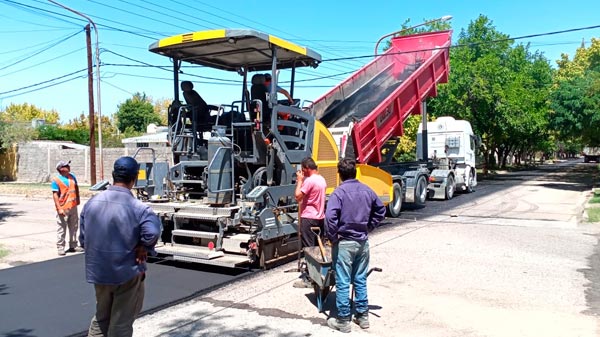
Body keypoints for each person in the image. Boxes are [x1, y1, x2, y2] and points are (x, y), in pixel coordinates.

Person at [79, 156, 161, 337]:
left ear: (113, 175)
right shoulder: (138, 207)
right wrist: (143, 246)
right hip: (127, 272)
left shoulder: (91, 203)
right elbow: (153, 232)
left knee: (101, 318)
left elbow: (84, 240)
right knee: (121, 323)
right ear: (134, 179)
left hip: (99, 272)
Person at [325, 159, 386, 333]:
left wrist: (332, 237)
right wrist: (369, 226)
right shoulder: (367, 190)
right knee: (360, 279)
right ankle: (362, 316)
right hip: (362, 242)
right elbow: (380, 210)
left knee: (343, 281)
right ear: (356, 172)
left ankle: (343, 320)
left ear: (340, 174)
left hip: (344, 242)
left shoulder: (339, 193)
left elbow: (330, 218)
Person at [294, 157, 327, 288]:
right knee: (318, 247)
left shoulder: (309, 181)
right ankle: (319, 273)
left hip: (308, 217)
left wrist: (299, 181)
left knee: (308, 249)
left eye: (303, 170)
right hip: (320, 217)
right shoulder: (322, 179)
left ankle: (309, 278)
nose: (302, 172)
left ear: (307, 168)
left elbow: (297, 196)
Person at [52, 160, 82, 256]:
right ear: (61, 169)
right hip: (63, 208)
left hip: (73, 206)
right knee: (62, 228)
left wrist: (78, 200)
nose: (68, 167)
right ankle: (60, 247)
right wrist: (59, 208)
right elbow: (55, 195)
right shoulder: (56, 180)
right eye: (66, 166)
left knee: (74, 226)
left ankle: (73, 245)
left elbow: (76, 188)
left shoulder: (72, 177)